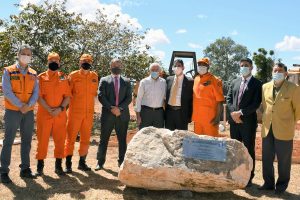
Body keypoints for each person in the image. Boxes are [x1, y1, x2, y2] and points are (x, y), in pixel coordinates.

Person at [259, 63, 300, 194]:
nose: (277, 72)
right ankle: (268, 183)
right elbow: (265, 107)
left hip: (284, 129)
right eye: (275, 70)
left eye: (280, 70)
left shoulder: (294, 88)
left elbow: (298, 110)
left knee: (284, 160)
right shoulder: (265, 87)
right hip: (267, 128)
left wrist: (289, 122)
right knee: (266, 158)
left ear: (286, 73)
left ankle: (281, 187)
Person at [0, 44, 38, 183]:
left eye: (28, 54)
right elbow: (7, 91)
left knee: (27, 141)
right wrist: (20, 105)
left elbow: (36, 93)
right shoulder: (8, 71)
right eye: (24, 53)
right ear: (18, 54)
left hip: (28, 112)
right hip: (12, 111)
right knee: (8, 141)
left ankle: (25, 169)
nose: (26, 56)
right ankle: (3, 171)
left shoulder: (33, 73)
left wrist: (27, 106)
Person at [226, 58, 262, 187]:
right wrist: (233, 114)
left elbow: (256, 103)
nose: (243, 67)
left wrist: (240, 113)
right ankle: (234, 174)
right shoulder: (234, 81)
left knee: (248, 149)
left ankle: (249, 177)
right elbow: (229, 99)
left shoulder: (257, 83)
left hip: (248, 123)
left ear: (251, 67)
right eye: (241, 65)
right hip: (234, 122)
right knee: (234, 149)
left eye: (246, 65)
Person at [36, 52, 71, 176]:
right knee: (42, 140)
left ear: (59, 63)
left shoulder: (64, 77)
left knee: (60, 140)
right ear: (47, 62)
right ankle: (40, 167)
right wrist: (49, 109)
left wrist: (60, 109)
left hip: (60, 114)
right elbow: (38, 97)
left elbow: (67, 97)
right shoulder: (41, 77)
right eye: (52, 61)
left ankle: (58, 166)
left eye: (56, 61)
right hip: (44, 113)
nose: (54, 63)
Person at [64, 54, 98, 173]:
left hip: (88, 114)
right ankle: (68, 164)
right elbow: (67, 94)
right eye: (84, 61)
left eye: (88, 61)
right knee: (70, 139)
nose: (86, 63)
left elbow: (94, 94)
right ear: (79, 62)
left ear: (91, 63)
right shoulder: (73, 76)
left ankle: (82, 163)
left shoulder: (94, 76)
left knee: (85, 139)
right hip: (74, 113)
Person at [95, 58, 132, 170]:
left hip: (122, 114)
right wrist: (111, 108)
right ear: (110, 66)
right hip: (108, 114)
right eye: (114, 65)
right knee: (104, 139)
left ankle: (122, 162)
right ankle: (100, 162)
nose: (116, 67)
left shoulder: (126, 81)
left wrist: (119, 108)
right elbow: (101, 96)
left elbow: (129, 98)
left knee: (122, 140)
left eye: (118, 65)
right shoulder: (104, 80)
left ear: (121, 66)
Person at [192, 57, 224, 136]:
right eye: (199, 64)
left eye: (204, 64)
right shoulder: (196, 79)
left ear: (208, 66)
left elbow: (220, 101)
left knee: (211, 144)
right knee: (198, 143)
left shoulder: (215, 80)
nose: (201, 66)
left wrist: (217, 118)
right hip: (197, 119)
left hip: (210, 120)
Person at [135, 63, 166, 129]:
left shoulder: (163, 82)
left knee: (158, 135)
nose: (154, 71)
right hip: (146, 113)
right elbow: (139, 99)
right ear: (149, 71)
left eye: (156, 70)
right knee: (144, 135)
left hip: (159, 114)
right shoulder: (144, 82)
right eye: (152, 70)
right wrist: (138, 116)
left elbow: (165, 98)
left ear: (160, 71)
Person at [165, 59, 193, 130]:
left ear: (183, 67)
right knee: (169, 135)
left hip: (182, 113)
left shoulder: (190, 81)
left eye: (179, 65)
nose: (177, 67)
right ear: (172, 67)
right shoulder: (168, 79)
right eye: (175, 66)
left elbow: (191, 101)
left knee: (181, 137)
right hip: (169, 113)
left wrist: (189, 117)